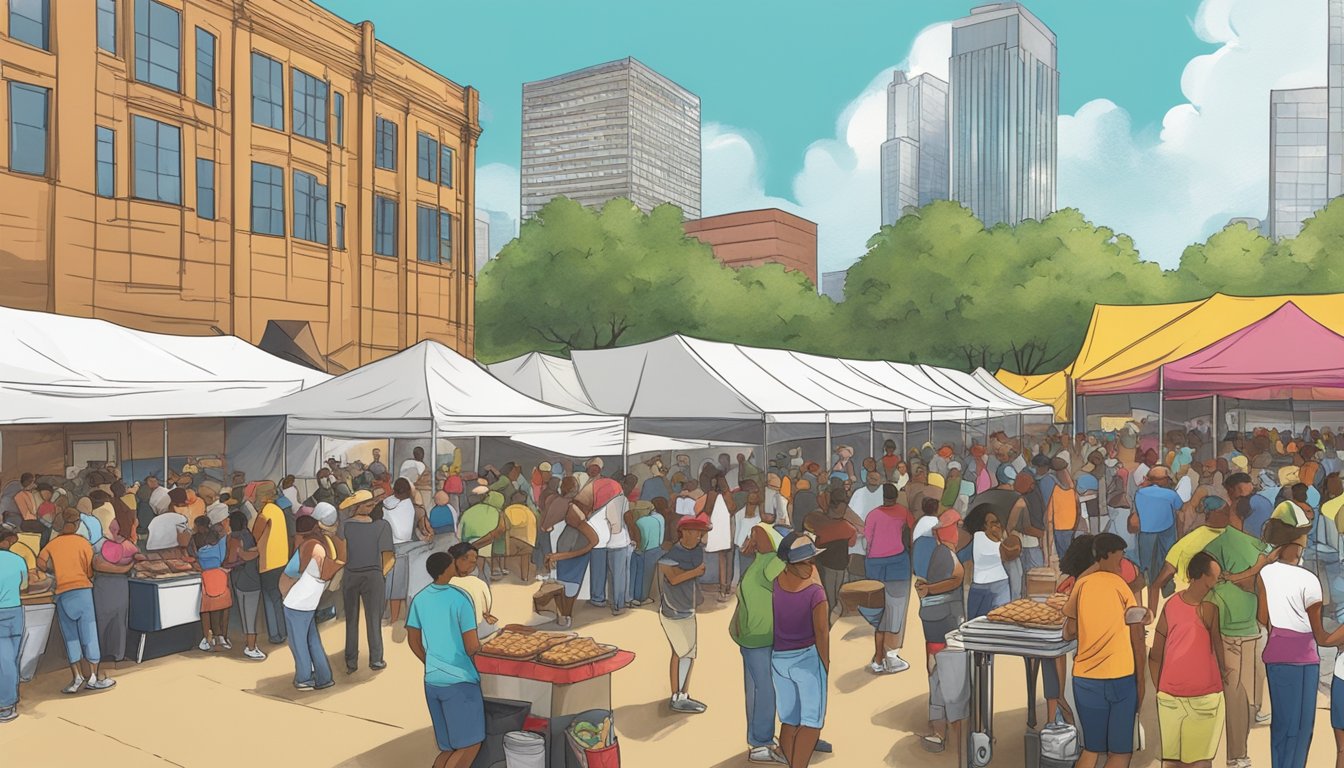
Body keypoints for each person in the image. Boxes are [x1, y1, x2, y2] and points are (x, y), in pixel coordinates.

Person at [1256, 520, 1344, 768]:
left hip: (1276, 654)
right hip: (1305, 658)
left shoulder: (1265, 573)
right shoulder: (1309, 580)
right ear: (1296, 545)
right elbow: (1320, 636)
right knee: (1303, 727)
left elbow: (1262, 618)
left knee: (1283, 724)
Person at [1063, 533, 1147, 768]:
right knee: (1119, 753)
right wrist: (1141, 681)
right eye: (1119, 560)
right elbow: (1136, 634)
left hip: (1086, 678)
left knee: (1091, 750)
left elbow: (1068, 631)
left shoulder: (1081, 585)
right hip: (1120, 676)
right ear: (1106, 556)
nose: (1121, 566)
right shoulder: (1121, 586)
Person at [408, 551, 485, 768]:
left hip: (432, 680)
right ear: (447, 569)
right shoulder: (460, 599)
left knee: (449, 748)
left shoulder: (420, 598)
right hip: (460, 682)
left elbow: (413, 641)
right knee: (470, 744)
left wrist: (430, 661)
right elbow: (472, 646)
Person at [1149, 552, 1226, 768]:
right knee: (1200, 760)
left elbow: (1155, 655)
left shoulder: (1171, 604)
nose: (1218, 580)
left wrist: (1161, 687)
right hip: (1205, 694)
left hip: (1169, 696)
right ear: (1203, 577)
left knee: (1172, 761)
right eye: (1215, 576)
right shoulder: (1210, 609)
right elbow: (1218, 650)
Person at [730, 495, 788, 763]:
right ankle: (761, 742)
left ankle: (758, 739)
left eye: (757, 536)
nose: (752, 540)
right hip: (758, 638)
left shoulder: (768, 562)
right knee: (763, 689)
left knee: (757, 688)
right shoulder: (764, 562)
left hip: (756, 637)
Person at [37, 508, 115, 694]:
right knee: (89, 634)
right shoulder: (84, 544)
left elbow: (40, 562)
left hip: (62, 593)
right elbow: (90, 570)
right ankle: (94, 678)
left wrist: (53, 572)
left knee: (70, 636)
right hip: (82, 591)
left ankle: (76, 678)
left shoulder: (52, 544)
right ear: (77, 524)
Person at [772, 532, 830, 768]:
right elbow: (822, 633)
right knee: (811, 723)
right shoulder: (815, 593)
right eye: (807, 561)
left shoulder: (774, 584)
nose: (812, 565)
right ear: (793, 563)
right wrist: (825, 665)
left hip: (778, 659)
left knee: (789, 720)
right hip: (806, 659)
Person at [915, 509, 967, 755]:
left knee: (937, 672)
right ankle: (944, 731)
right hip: (944, 622)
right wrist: (930, 589)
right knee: (945, 674)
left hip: (936, 621)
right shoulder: (946, 554)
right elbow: (956, 580)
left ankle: (941, 730)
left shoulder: (939, 552)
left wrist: (927, 589)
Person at [338, 489, 393, 674]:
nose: (372, 506)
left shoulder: (345, 525)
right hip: (374, 576)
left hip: (351, 574)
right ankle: (376, 659)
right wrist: (381, 574)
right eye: (369, 504)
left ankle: (351, 661)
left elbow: (342, 555)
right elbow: (389, 557)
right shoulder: (382, 526)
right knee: (374, 619)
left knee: (351, 620)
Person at [862, 482, 914, 674]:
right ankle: (891, 657)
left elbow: (867, 538)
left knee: (880, 610)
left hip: (874, 563)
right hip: (897, 563)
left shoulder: (873, 514)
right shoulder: (902, 512)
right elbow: (912, 529)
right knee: (896, 609)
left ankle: (878, 658)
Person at [659, 515, 709, 714]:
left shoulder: (697, 551)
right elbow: (673, 578)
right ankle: (678, 696)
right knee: (682, 653)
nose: (699, 537)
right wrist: (695, 572)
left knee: (688, 653)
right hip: (674, 609)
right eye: (697, 533)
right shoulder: (671, 554)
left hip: (689, 607)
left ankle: (682, 695)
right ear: (686, 532)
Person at [280, 516, 335, 691]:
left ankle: (304, 678)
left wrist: (284, 594)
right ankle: (324, 677)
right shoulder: (323, 546)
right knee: (313, 640)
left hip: (296, 601)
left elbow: (290, 573)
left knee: (298, 642)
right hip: (311, 600)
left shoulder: (306, 547)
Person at [542, 491, 599, 629]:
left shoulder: (578, 521)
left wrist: (559, 556)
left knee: (569, 588)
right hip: (565, 555)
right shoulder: (569, 520)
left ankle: (566, 614)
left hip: (574, 559)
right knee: (563, 585)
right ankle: (563, 614)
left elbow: (593, 541)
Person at [384, 477, 429, 631]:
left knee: (392, 585)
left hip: (388, 546)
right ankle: (400, 618)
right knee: (403, 585)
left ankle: (393, 617)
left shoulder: (386, 503)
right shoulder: (409, 505)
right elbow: (405, 531)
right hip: (405, 547)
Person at [806, 494, 858, 626]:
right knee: (833, 595)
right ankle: (828, 622)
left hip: (829, 564)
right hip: (836, 564)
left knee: (829, 595)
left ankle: (828, 622)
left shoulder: (820, 522)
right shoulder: (847, 527)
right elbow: (852, 542)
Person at [1134, 466, 1184, 599]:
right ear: (1163, 480)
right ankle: (1166, 586)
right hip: (1166, 530)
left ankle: (1149, 587)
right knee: (1167, 559)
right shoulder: (1171, 494)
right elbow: (1180, 511)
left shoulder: (1139, 493)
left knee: (1146, 562)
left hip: (1146, 531)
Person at [964, 504, 1020, 620]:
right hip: (993, 587)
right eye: (992, 523)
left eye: (997, 522)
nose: (996, 526)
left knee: (978, 624)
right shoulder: (1001, 544)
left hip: (988, 587)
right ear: (983, 525)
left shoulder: (978, 541)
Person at [251, 481, 290, 645]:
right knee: (279, 599)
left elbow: (255, 534)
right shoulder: (278, 510)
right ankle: (283, 631)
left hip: (268, 562)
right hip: (281, 560)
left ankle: (276, 634)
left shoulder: (265, 512)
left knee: (269, 599)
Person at [225, 509, 265, 660]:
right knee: (251, 615)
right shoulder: (247, 536)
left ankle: (248, 645)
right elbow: (248, 554)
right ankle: (251, 647)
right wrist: (254, 552)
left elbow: (230, 557)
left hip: (236, 579)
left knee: (243, 613)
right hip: (251, 579)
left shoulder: (230, 537)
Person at [0, 524, 30, 722]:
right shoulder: (19, 560)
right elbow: (25, 587)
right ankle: (7, 704)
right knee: (10, 659)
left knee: (4, 660)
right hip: (14, 611)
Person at [189, 515, 232, 651]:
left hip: (205, 575)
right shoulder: (218, 537)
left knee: (206, 609)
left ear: (200, 526)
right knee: (222, 608)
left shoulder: (195, 539)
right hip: (220, 574)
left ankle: (207, 637)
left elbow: (192, 556)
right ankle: (222, 636)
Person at [446, 542, 498, 639]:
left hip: (467, 632)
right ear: (455, 560)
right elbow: (487, 608)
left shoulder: (447, 583)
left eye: (475, 559)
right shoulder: (478, 583)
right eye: (466, 559)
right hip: (482, 630)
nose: (473, 562)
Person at [629, 500, 665, 607]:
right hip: (657, 549)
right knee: (646, 576)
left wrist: (639, 549)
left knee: (636, 574)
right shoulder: (660, 517)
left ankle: (636, 598)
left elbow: (642, 540)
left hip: (643, 550)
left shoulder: (641, 522)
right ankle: (643, 597)